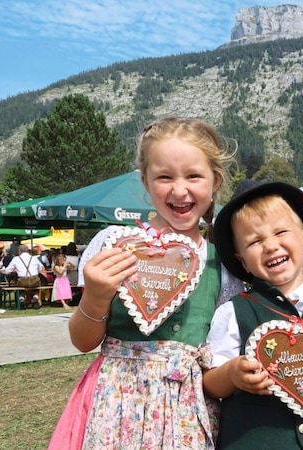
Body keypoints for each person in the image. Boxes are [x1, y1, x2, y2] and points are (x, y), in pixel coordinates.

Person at [49, 117, 242, 449]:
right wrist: (96, 295)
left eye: (194, 176)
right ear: (145, 181)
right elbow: (82, 341)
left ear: (215, 181)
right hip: (115, 402)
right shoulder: (114, 244)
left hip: (186, 408)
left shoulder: (221, 263)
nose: (179, 190)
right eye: (164, 177)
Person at [205, 180, 303, 449]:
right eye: (255, 241)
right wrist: (232, 374)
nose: (270, 246)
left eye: (280, 232)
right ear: (242, 260)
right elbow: (210, 384)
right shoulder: (234, 311)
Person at [3, 244, 45, 309]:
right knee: (36, 286)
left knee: (20, 286)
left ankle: (21, 297)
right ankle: (35, 295)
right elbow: (40, 269)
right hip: (34, 279)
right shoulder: (34, 258)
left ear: (19, 251)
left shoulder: (16, 259)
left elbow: (7, 271)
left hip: (22, 280)